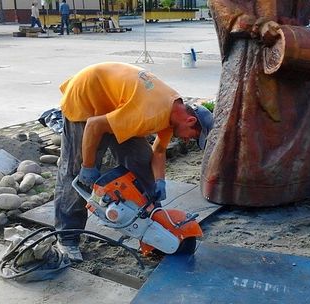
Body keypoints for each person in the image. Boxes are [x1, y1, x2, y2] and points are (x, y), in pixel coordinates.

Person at [54, 62, 213, 262]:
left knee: (142, 162)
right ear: (190, 121)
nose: (187, 140)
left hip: (118, 106)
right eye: (191, 136)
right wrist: (88, 165)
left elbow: (159, 151)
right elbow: (95, 125)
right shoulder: (149, 112)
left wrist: (159, 181)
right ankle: (67, 238)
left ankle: (153, 226)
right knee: (75, 173)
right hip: (86, 99)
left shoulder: (172, 112)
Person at [202, 0, 310, 207]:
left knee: (300, 118)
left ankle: (300, 185)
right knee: (248, 123)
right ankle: (244, 189)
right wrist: (255, 25)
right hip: (256, 52)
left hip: (299, 48)